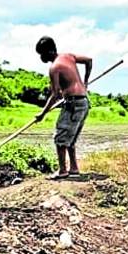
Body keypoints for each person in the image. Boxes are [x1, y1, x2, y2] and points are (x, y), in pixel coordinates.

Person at [34, 36, 92, 180]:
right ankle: (73, 169)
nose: (41, 57)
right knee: (70, 138)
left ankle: (62, 171)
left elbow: (54, 95)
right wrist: (85, 82)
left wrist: (42, 114)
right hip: (83, 101)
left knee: (60, 138)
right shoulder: (68, 56)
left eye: (42, 53)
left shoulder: (54, 68)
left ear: (50, 51)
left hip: (73, 103)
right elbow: (89, 61)